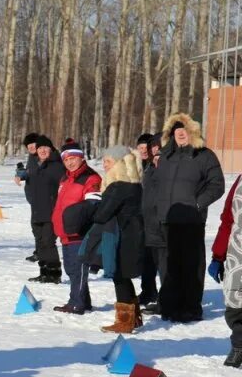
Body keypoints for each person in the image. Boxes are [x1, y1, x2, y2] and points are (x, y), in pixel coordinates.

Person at [151, 114, 225, 323]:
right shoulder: (165, 157)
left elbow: (217, 184)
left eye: (184, 130)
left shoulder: (204, 155)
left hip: (192, 220)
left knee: (192, 265)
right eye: (176, 130)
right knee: (170, 265)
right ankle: (171, 306)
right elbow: (156, 185)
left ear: (193, 132)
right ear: (170, 134)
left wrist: (197, 204)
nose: (181, 133)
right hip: (168, 219)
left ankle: (191, 308)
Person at [75, 147, 145, 332]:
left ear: (120, 163)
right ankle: (133, 317)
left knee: (119, 277)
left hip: (121, 239)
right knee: (124, 277)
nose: (104, 165)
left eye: (108, 162)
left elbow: (102, 215)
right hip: (132, 236)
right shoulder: (135, 184)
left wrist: (92, 205)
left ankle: (124, 321)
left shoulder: (118, 186)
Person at [51, 140, 101, 314]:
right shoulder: (65, 178)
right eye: (66, 159)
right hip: (65, 232)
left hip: (80, 232)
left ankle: (76, 303)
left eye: (73, 158)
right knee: (71, 269)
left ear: (81, 158)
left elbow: (93, 204)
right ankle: (84, 301)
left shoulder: (90, 177)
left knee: (78, 270)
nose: (70, 162)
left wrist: (74, 218)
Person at [209, 174, 242, 365]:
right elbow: (228, 218)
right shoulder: (239, 181)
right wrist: (218, 255)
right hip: (237, 252)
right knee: (234, 305)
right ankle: (239, 346)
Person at [25, 135, 65, 284]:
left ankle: (54, 274)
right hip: (36, 211)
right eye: (40, 148)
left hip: (51, 212)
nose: (42, 150)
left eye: (45, 148)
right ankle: (44, 272)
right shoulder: (34, 165)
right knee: (40, 243)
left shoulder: (57, 165)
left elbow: (62, 189)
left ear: (51, 149)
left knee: (48, 242)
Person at [136, 133, 160, 310]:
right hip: (140, 218)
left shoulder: (157, 165)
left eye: (147, 148)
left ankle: (162, 294)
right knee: (145, 259)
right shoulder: (136, 165)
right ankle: (148, 291)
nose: (144, 151)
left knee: (158, 259)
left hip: (155, 218)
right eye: (141, 148)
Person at [16, 134, 39, 260]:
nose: (30, 147)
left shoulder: (42, 157)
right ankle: (39, 250)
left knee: (41, 227)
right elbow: (30, 173)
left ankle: (43, 252)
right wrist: (20, 174)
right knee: (35, 227)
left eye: (33, 144)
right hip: (33, 198)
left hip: (42, 198)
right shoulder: (31, 157)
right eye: (28, 145)